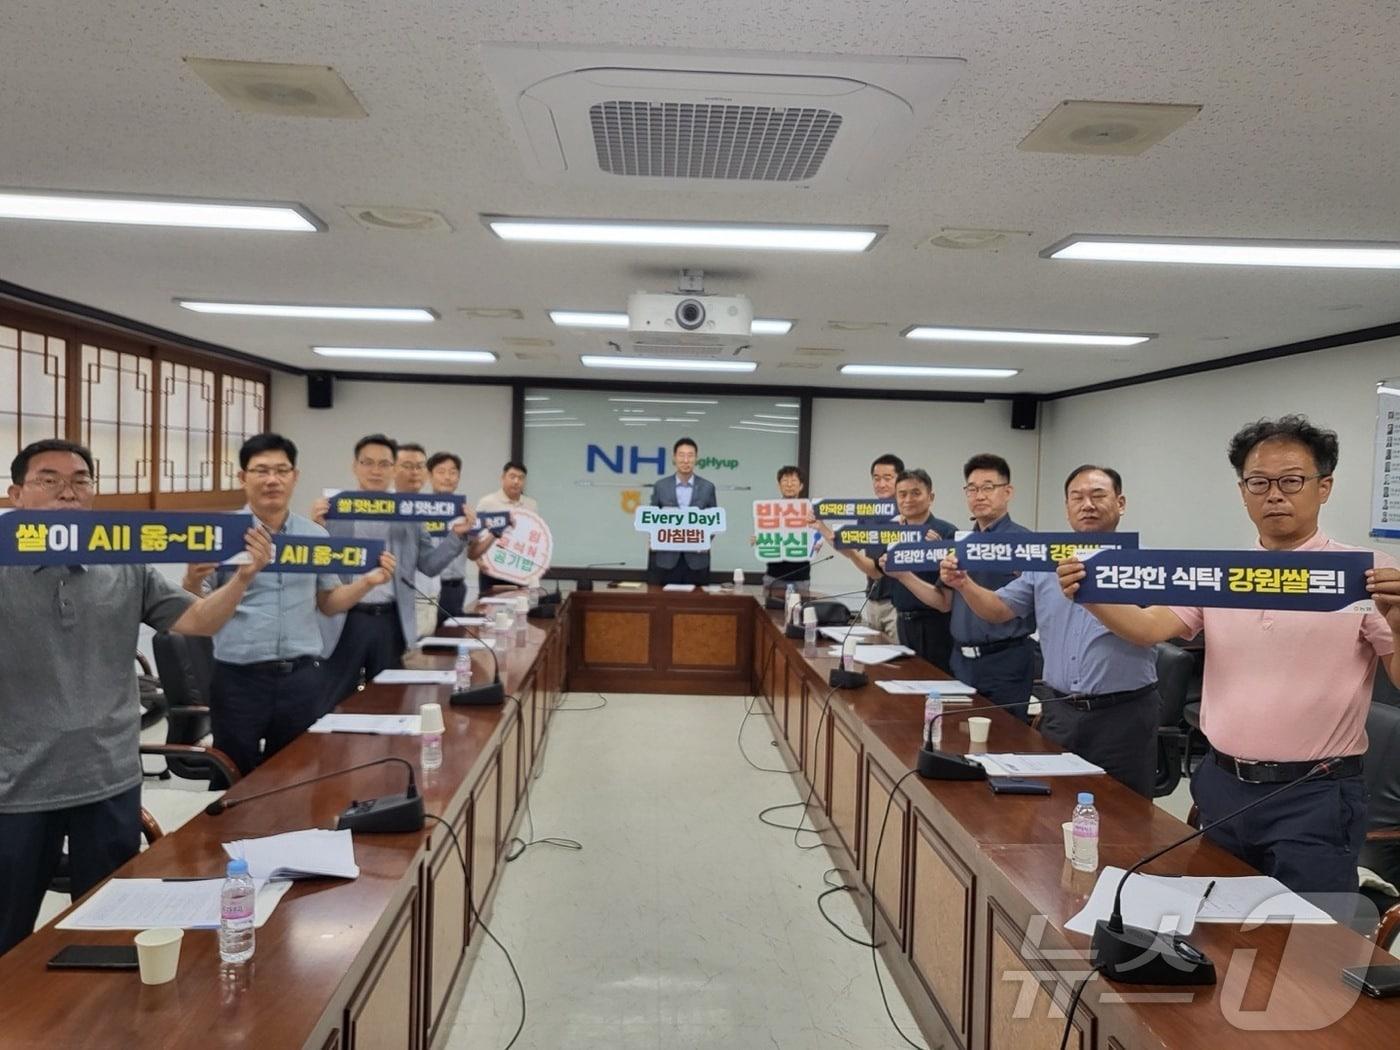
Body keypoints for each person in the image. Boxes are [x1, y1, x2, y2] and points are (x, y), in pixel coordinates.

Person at [1058, 416, 1400, 898]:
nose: (1274, 495)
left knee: (1309, 945)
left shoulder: (1364, 573)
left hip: (1314, 793)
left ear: (1324, 487)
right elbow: (1150, 628)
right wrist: (1088, 595)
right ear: (1243, 491)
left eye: (1291, 481)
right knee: (1220, 930)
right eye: (1258, 482)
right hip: (1222, 783)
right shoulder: (1221, 572)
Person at [0, 438, 272, 957]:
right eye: (48, 480)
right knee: (8, 930)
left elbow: (197, 621)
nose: (67, 492)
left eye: (80, 480)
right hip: (14, 784)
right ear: (16, 495)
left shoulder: (125, 563)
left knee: (111, 930)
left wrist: (242, 578)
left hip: (108, 775)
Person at [923, 465, 1160, 796]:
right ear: (1066, 509)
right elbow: (998, 610)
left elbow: (1151, 631)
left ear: (1120, 503)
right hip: (1060, 711)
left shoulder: (1149, 566)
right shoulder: (1046, 564)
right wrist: (963, 584)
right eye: (1076, 497)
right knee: (1051, 806)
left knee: (1126, 813)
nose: (1087, 505)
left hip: (1122, 716)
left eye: (1098, 495)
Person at [182, 433, 398, 775]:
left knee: (296, 777)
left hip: (302, 678)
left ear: (295, 477)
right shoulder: (221, 534)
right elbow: (196, 608)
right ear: (242, 477)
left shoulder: (314, 535)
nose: (272, 480)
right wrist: (193, 580)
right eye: (261, 471)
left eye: (282, 471)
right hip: (239, 679)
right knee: (233, 778)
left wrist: (367, 583)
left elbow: (328, 603)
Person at [313, 434, 476, 709]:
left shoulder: (409, 513)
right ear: (355, 466)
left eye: (384, 464)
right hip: (345, 619)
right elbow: (316, 565)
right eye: (367, 463)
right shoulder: (334, 509)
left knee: (389, 699)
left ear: (393, 469)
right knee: (334, 699)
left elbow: (430, 565)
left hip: (390, 620)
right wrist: (315, 528)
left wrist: (457, 537)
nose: (375, 471)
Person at [885, 454, 1037, 720]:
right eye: (972, 489)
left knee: (1004, 740)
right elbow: (944, 601)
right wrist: (903, 576)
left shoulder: (1024, 543)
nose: (979, 495)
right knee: (957, 739)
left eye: (988, 487)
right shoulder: (960, 543)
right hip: (960, 660)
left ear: (1008, 491)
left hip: (1005, 661)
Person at [873, 469, 959, 673]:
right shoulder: (895, 534)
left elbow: (948, 596)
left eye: (916, 493)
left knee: (933, 683)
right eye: (902, 494)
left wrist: (939, 554)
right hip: (901, 621)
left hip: (935, 625)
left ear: (931, 497)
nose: (908, 499)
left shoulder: (946, 532)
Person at [810, 453, 903, 636]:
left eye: (887, 478)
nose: (881, 484)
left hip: (897, 604)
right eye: (876, 479)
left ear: (900, 479)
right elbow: (851, 550)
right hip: (872, 598)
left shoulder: (906, 515)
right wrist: (822, 528)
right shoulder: (867, 513)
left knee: (896, 661)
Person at [427, 451, 496, 624]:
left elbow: (473, 554)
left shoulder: (466, 513)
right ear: (430, 475)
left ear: (458, 477)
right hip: (429, 589)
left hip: (456, 588)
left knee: (452, 641)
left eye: (453, 472)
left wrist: (494, 534)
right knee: (428, 644)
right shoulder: (420, 511)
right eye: (441, 472)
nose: (447, 477)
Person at [647, 437, 719, 586]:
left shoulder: (707, 487)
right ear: (674, 458)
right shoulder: (660, 486)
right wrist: (653, 537)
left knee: (695, 606)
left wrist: (704, 541)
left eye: (690, 455)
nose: (686, 460)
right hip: (666, 559)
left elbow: (714, 521)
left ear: (696, 458)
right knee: (663, 604)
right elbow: (651, 519)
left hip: (696, 559)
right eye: (681, 455)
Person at [759, 465, 819, 598]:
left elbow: (817, 535)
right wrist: (758, 539)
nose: (789, 485)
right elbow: (763, 535)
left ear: (801, 485)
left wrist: (817, 543)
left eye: (794, 481)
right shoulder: (769, 510)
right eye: (785, 481)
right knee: (771, 614)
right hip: (774, 575)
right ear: (779, 485)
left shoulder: (810, 511)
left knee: (799, 615)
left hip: (800, 576)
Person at [476, 460, 537, 593]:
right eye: (512, 476)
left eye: (521, 478)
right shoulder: (488, 502)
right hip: (491, 569)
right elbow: (475, 535)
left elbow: (533, 537)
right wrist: (478, 560)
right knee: (489, 610)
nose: (516, 481)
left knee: (519, 608)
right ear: (503, 478)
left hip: (518, 569)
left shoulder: (531, 505)